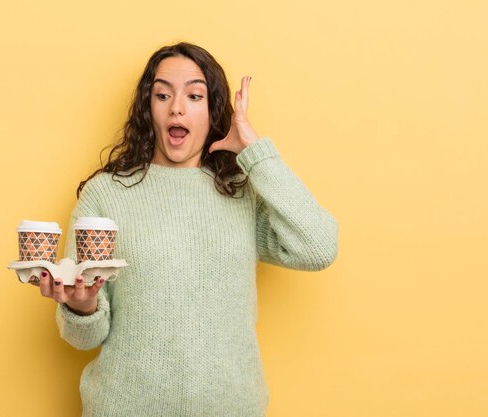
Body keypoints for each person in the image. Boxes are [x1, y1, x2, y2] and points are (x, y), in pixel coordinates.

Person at [34, 42, 338, 417]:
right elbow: (85, 338)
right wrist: (82, 307)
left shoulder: (242, 192)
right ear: (149, 108)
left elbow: (318, 247)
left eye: (194, 95)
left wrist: (255, 152)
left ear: (213, 112)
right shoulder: (108, 195)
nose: (176, 107)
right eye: (163, 94)